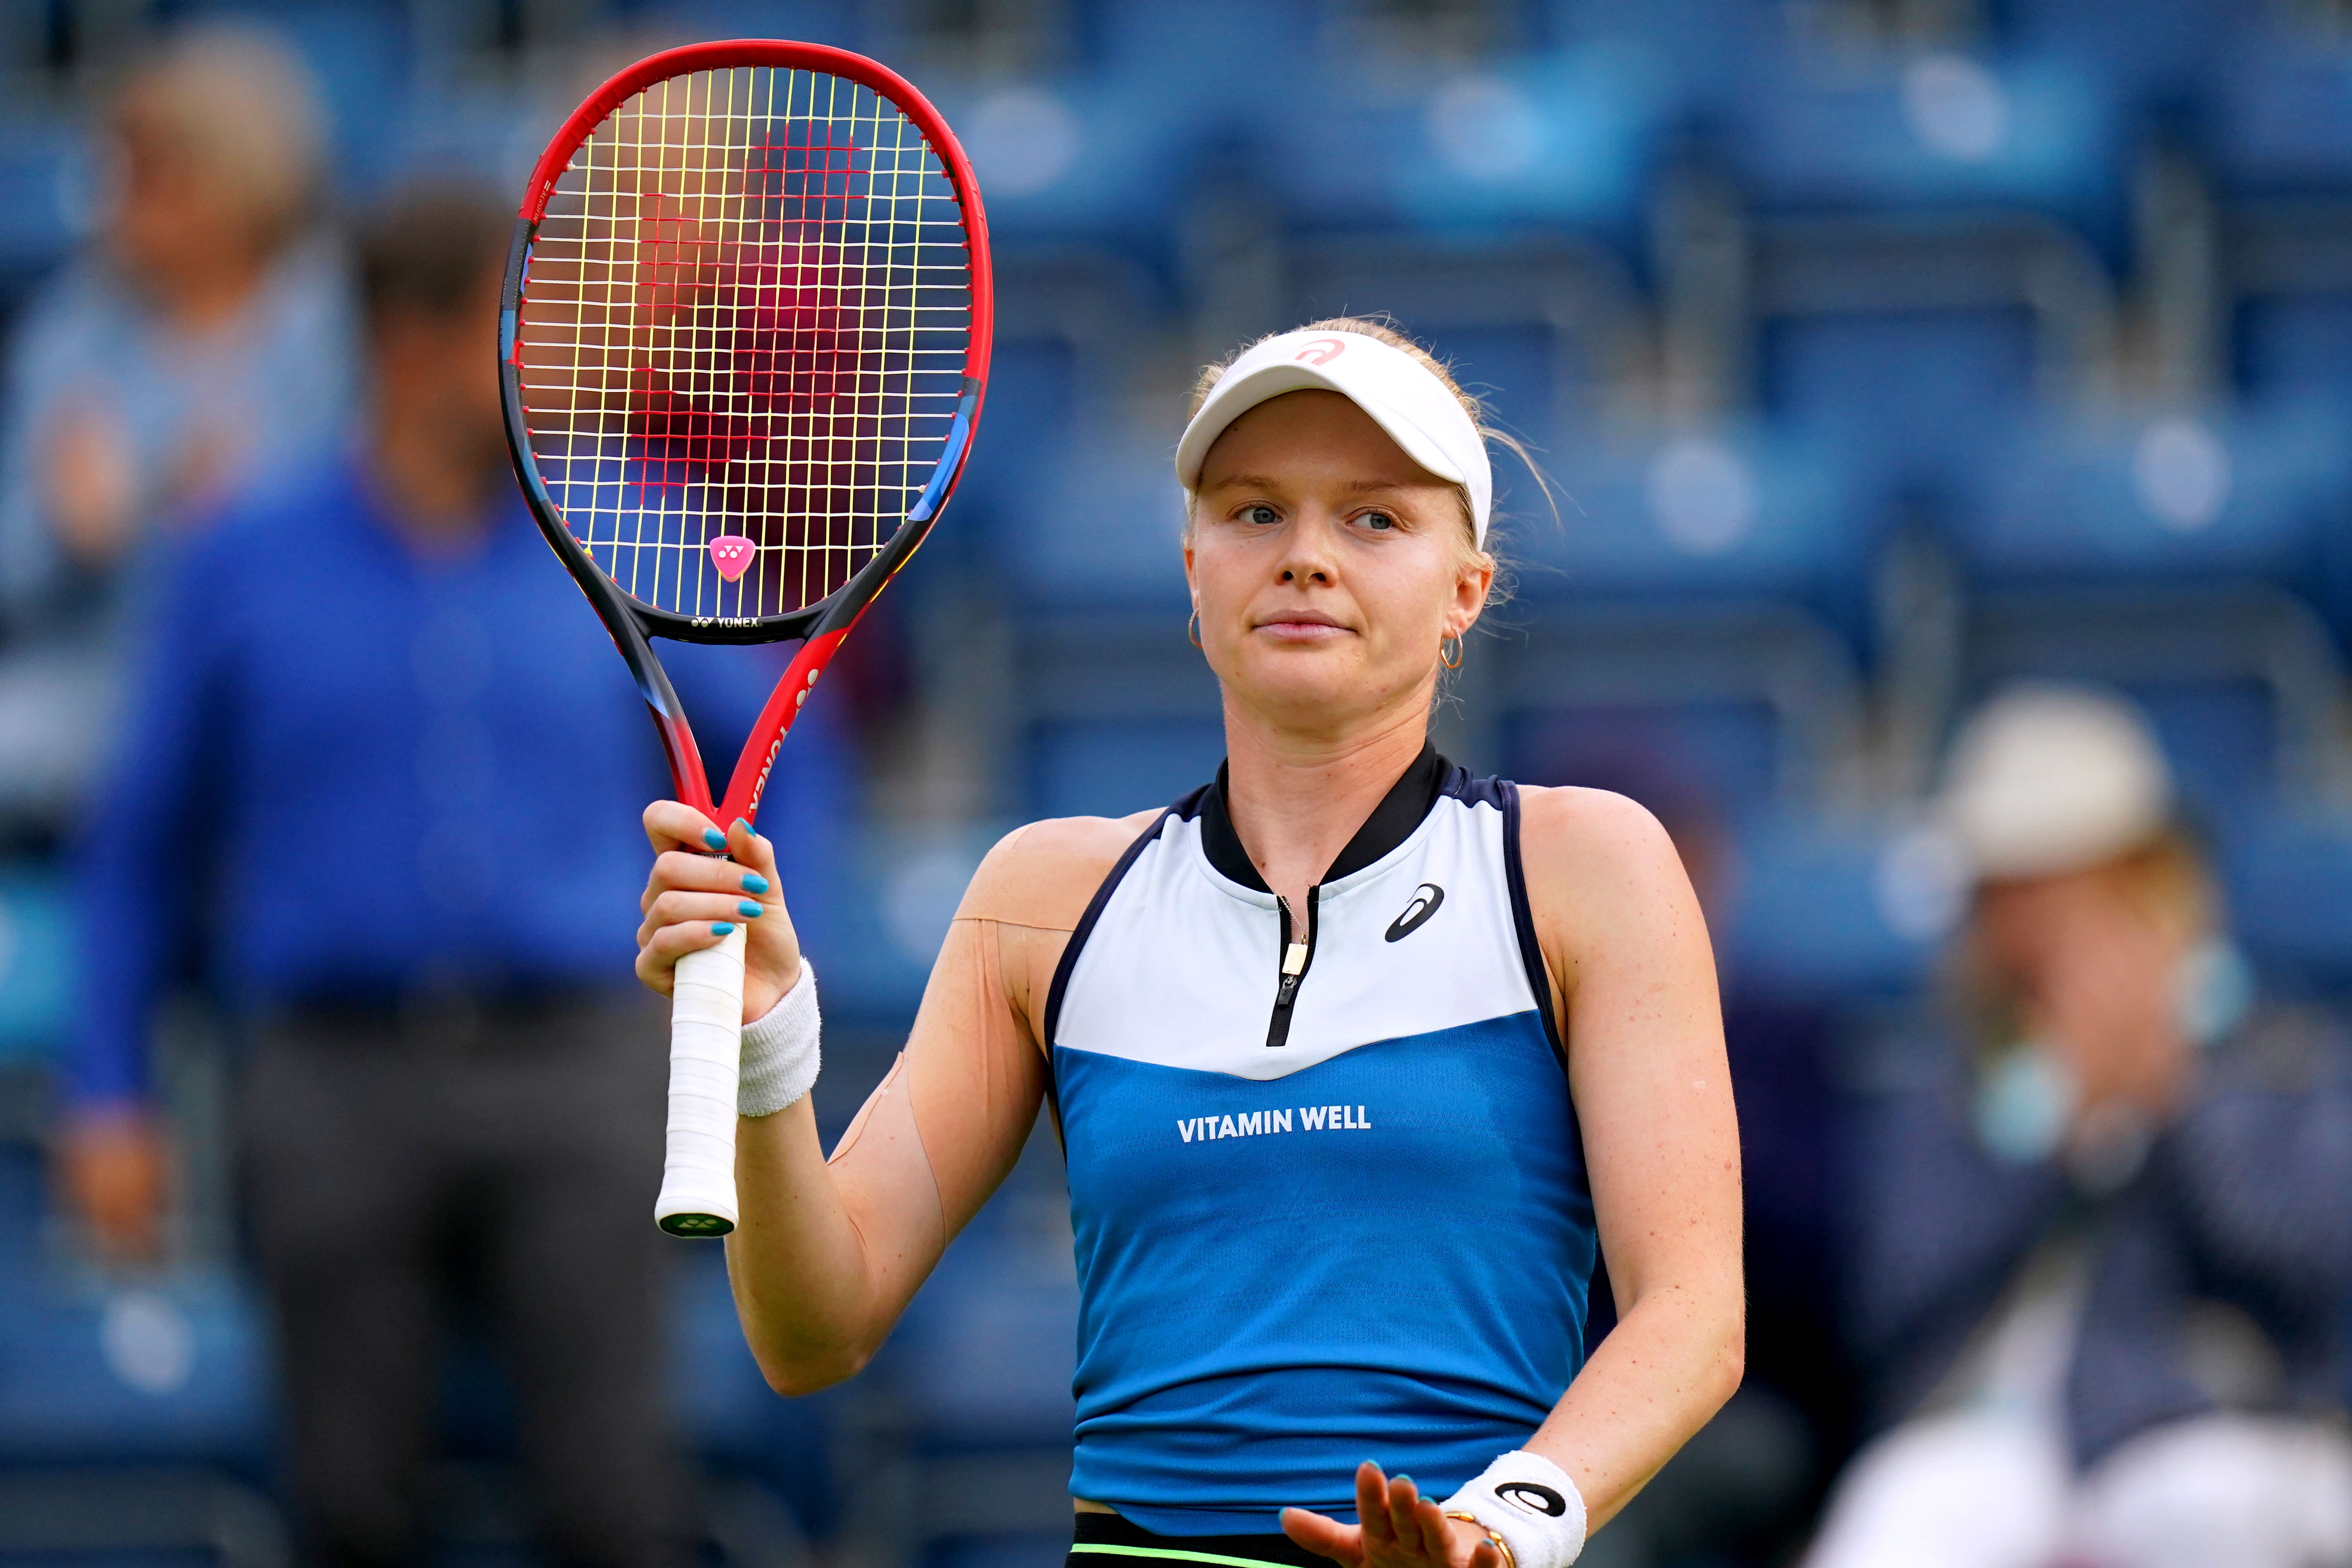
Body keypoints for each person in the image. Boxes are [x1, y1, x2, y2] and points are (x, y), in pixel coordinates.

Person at [637, 318, 1745, 1568]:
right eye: (1254, 512)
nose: (1307, 557)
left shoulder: (1582, 865)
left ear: (1464, 590)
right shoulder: (1041, 895)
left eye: (1374, 518)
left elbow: (1694, 1314)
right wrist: (767, 1042)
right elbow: (811, 1327)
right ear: (1191, 570)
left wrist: (1501, 1522)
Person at [55, 184, 842, 1568]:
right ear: (413, 345)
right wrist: (109, 1086)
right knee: (351, 1511)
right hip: (324, 1080)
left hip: (582, 1074)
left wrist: (755, 976)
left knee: (616, 1506)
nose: (568, 360)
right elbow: (139, 847)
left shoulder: (643, 520)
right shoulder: (237, 557)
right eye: (525, 325)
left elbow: (792, 734)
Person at [1805, 684, 2352, 1568]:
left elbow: (2308, 1277)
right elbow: (1893, 1304)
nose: (2017, 925)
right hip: (1976, 1439)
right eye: (1999, 894)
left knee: (2207, 1508)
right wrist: (2062, 1123)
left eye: (2044, 888)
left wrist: (2169, 1093)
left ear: (2141, 881)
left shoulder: (2275, 1055)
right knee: (1895, 1527)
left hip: (2212, 1424)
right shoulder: (1943, 1076)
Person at [0, 24, 354, 822]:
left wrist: (254, 510)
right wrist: (70, 529)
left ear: (230, 177)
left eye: (149, 173)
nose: (113, 199)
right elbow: (14, 575)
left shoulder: (339, 325)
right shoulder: (69, 333)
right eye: (115, 170)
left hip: (288, 670)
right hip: (99, 682)